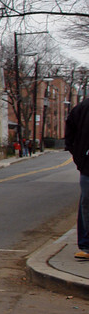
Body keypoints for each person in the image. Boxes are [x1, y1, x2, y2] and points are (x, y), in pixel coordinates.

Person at [65, 96, 89, 261]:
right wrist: (80, 158)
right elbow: (70, 135)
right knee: (86, 204)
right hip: (88, 167)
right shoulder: (82, 109)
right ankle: (86, 245)